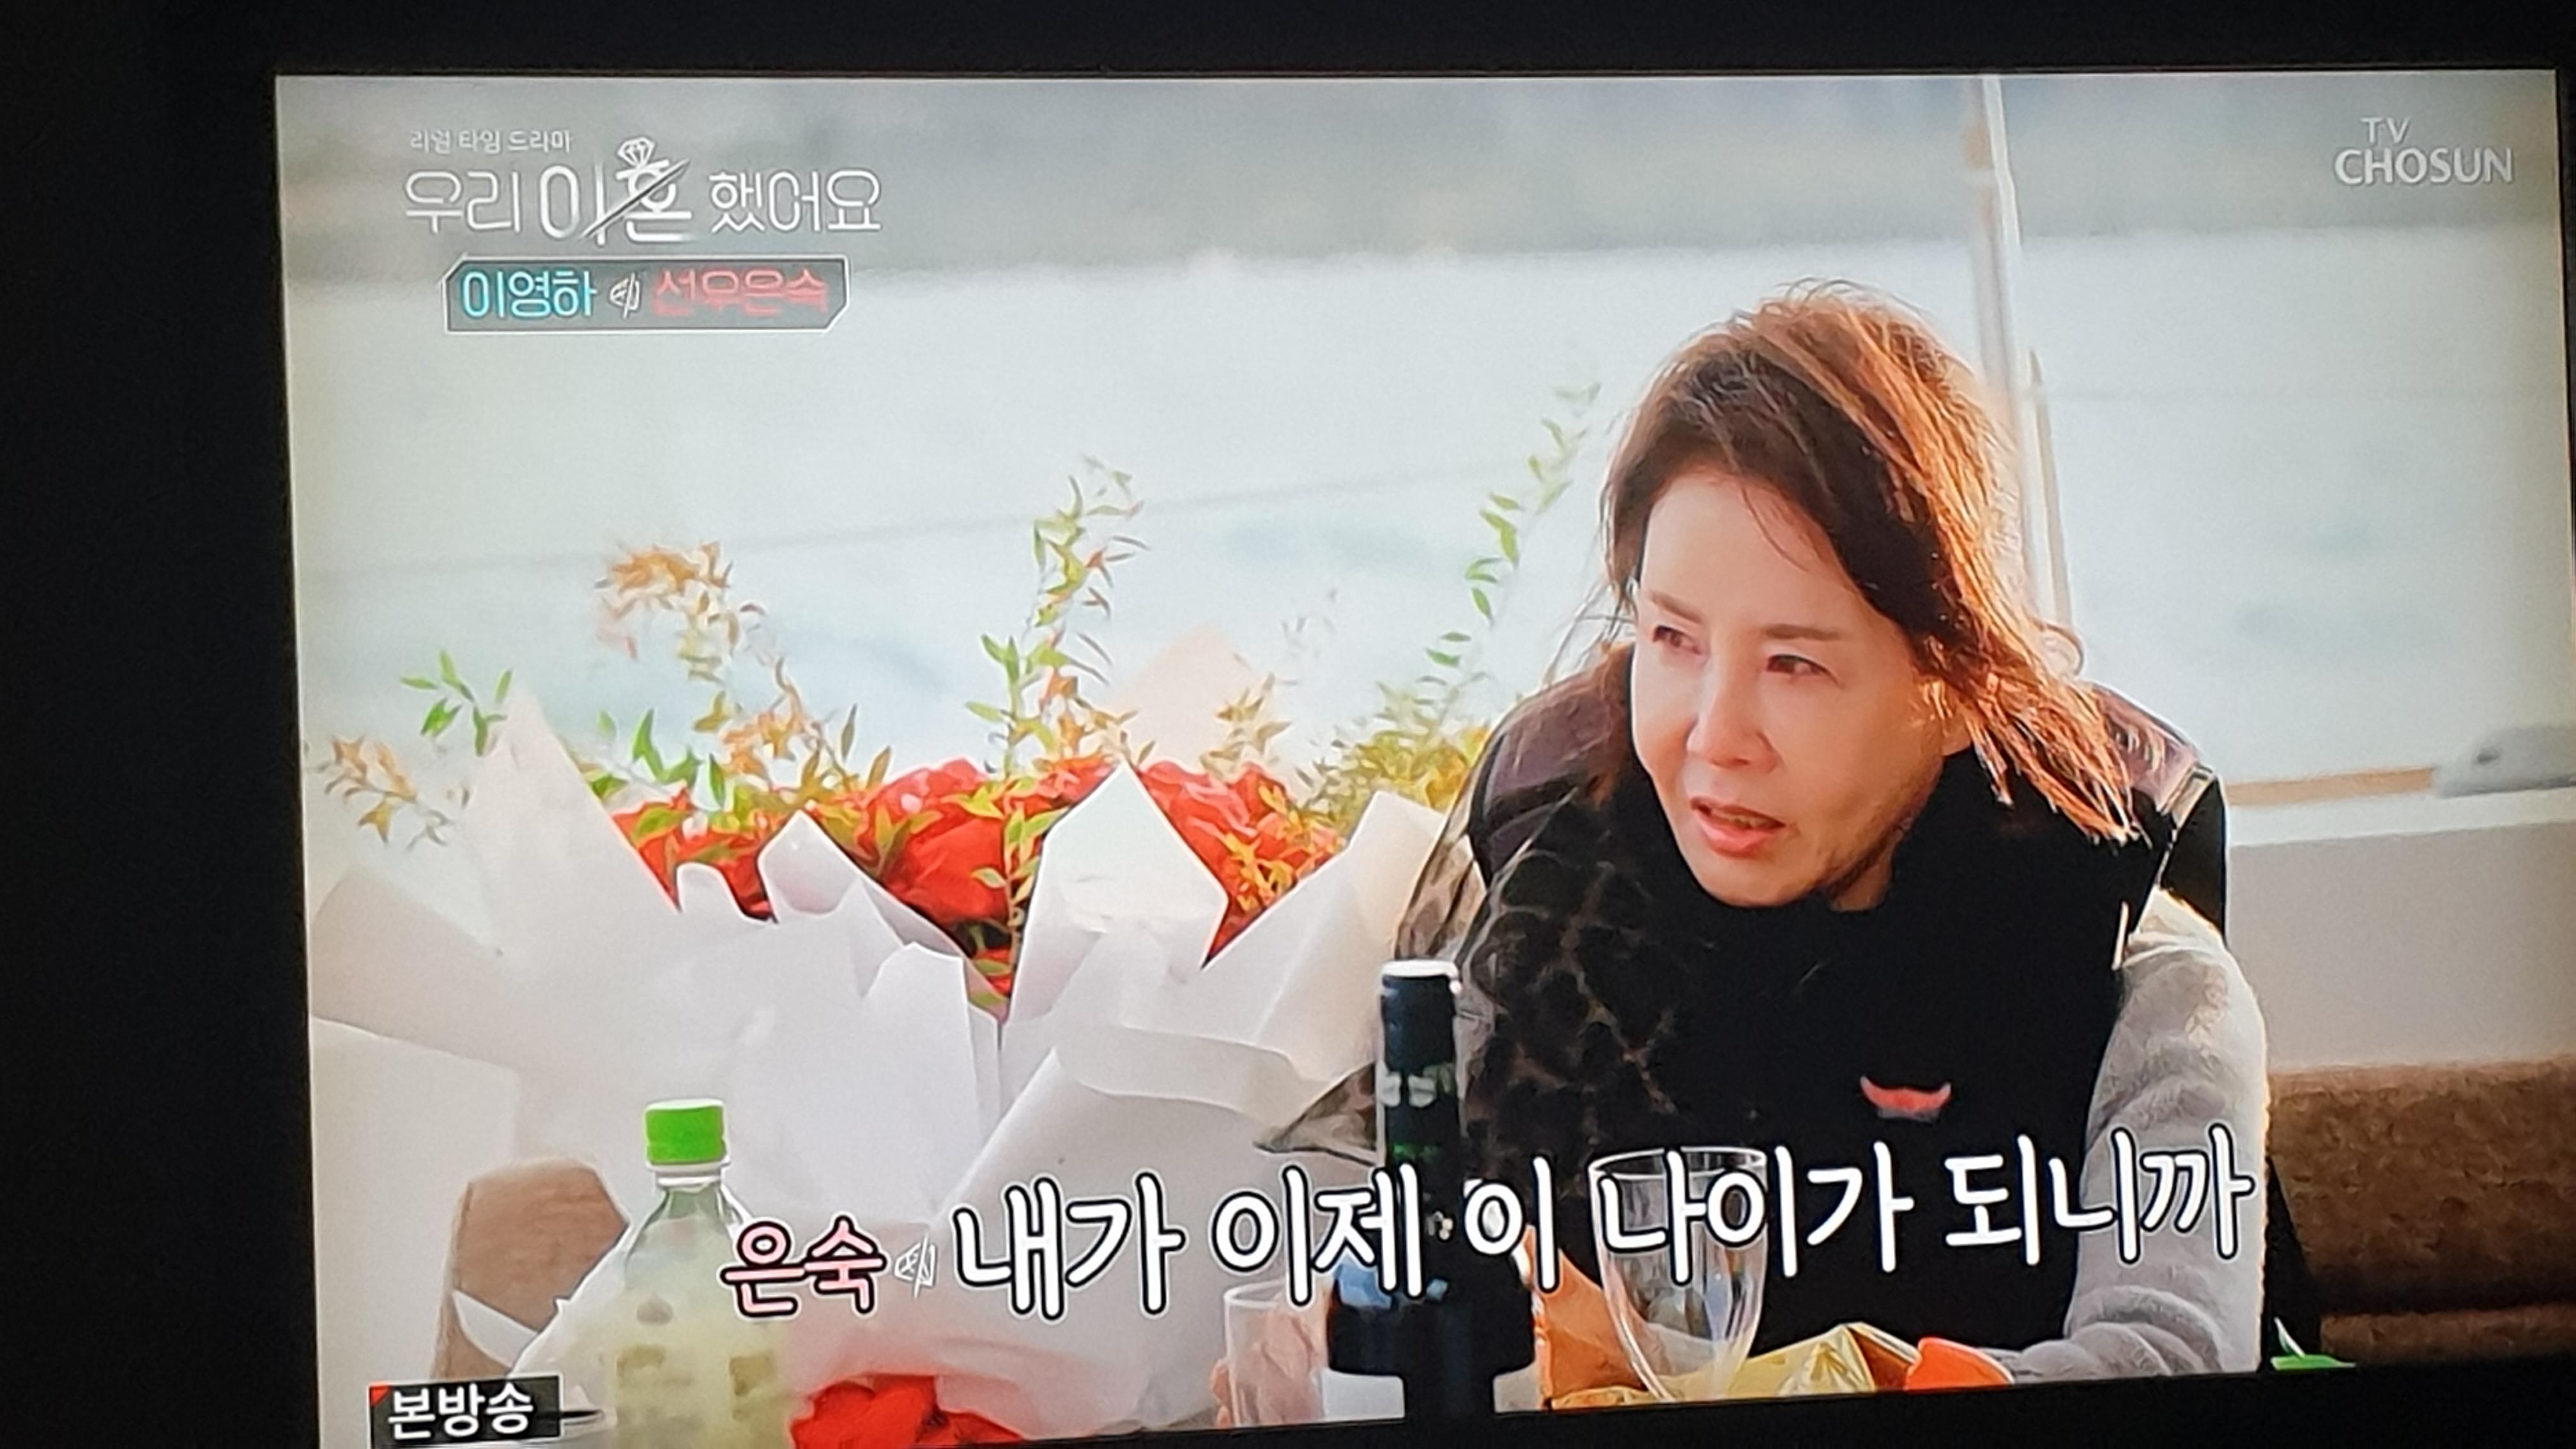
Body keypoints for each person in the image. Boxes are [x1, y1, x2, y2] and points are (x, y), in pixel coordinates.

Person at [1265, 282, 2269, 1392]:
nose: (1715, 735)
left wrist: (1682, 1382)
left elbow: (2172, 1361)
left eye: (1794, 663)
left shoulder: (2134, 963)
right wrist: (1324, 1348)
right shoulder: (1533, 911)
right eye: (1672, 639)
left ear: (1957, 688)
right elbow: (1364, 1239)